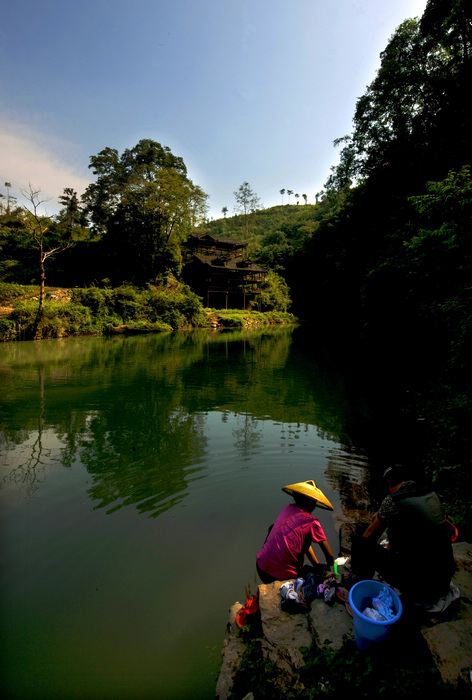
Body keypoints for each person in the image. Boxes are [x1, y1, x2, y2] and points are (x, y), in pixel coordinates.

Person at [351, 464, 457, 608]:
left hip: (419, 588)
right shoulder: (428, 493)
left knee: (360, 541)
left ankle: (358, 580)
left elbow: (369, 535)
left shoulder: (393, 500)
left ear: (389, 483)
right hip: (442, 581)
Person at [256, 480, 335, 583]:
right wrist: (331, 570)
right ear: (312, 503)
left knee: (280, 531)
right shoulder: (312, 522)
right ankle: (296, 574)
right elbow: (330, 556)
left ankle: (298, 570)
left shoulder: (287, 508)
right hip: (279, 577)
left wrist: (316, 564)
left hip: (260, 567)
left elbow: (304, 545)